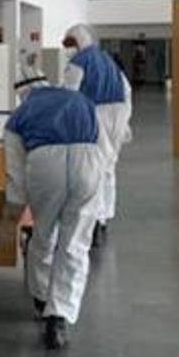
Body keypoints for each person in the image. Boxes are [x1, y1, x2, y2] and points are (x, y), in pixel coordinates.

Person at [0, 66, 102, 349]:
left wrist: (10, 218)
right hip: (87, 161)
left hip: (44, 164)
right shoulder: (81, 100)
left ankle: (42, 300)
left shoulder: (19, 116)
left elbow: (15, 175)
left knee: (43, 235)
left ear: (21, 92)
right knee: (74, 243)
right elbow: (101, 143)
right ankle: (59, 317)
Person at [61, 24, 132, 244]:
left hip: (95, 114)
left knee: (93, 168)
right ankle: (104, 216)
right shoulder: (107, 59)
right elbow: (127, 90)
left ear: (78, 41)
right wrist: (125, 122)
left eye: (69, 44)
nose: (67, 49)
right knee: (109, 166)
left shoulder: (79, 61)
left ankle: (92, 221)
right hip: (118, 113)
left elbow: (69, 95)